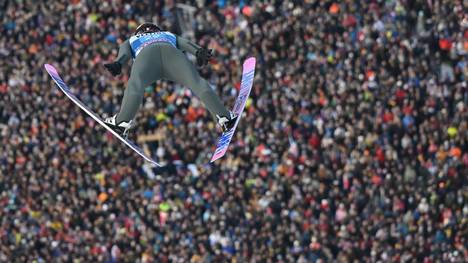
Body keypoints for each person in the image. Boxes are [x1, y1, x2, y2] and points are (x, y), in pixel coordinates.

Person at [103, 22, 237, 137]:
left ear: (139, 31)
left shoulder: (132, 39)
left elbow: (124, 54)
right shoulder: (167, 34)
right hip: (171, 52)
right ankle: (224, 117)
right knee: (196, 82)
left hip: (145, 55)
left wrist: (118, 64)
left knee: (135, 85)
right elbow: (187, 44)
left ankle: (122, 122)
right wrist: (199, 51)